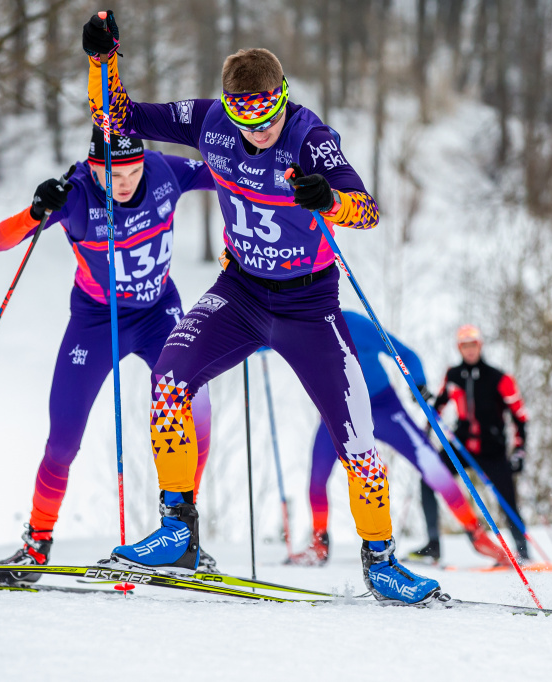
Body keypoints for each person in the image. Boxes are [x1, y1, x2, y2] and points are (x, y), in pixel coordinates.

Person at [81, 10, 440, 604]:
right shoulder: (209, 121)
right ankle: (179, 529)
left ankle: (381, 561)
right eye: (244, 114)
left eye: (267, 113)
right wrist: (103, 59)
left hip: (309, 304)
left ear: (283, 101)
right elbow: (116, 117)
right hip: (242, 292)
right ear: (229, 105)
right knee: (170, 375)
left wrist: (331, 200)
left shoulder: (310, 136)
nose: (258, 128)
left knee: (357, 436)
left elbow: (368, 209)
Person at [0, 127, 217, 584]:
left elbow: (226, 176)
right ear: (93, 168)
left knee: (198, 405)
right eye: (113, 174)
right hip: (96, 322)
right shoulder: (76, 196)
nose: (124, 182)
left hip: (157, 312)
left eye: (132, 170)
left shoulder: (165, 170)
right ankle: (36, 544)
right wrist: (36, 211)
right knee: (63, 439)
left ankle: (184, 535)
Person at [287, 311, 506, 566]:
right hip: (339, 412)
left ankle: (477, 535)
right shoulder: (295, 325)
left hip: (384, 408)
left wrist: (419, 383)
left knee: (431, 464)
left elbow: (406, 354)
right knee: (317, 476)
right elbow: (260, 337)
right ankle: (319, 543)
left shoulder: (355, 324)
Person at [412, 324, 530, 562]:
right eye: (465, 346)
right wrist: (425, 407)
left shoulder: (499, 377)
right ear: (460, 348)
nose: (469, 350)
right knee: (428, 480)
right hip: (462, 447)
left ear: (480, 346)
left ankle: (523, 553)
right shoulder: (453, 374)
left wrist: (519, 451)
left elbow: (520, 418)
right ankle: (433, 546)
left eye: (473, 345)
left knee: (508, 501)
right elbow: (439, 406)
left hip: (492, 449)